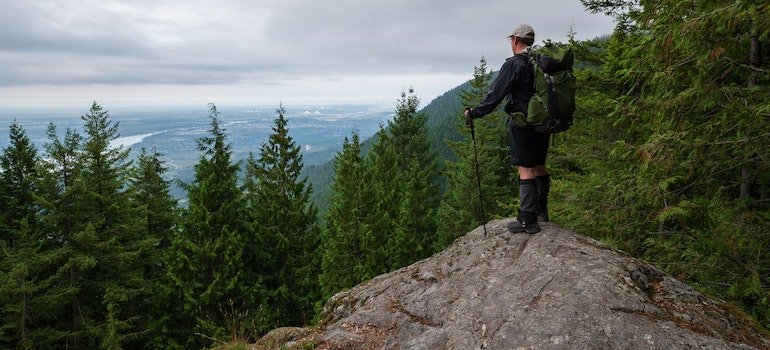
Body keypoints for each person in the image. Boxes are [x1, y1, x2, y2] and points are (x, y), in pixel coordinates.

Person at [464, 23, 550, 234]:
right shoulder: (541, 62)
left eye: (511, 40)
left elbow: (495, 95)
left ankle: (528, 220)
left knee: (526, 169)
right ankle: (541, 211)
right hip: (544, 122)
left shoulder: (514, 64)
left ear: (515, 40)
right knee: (540, 166)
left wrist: (474, 113)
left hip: (523, 123)